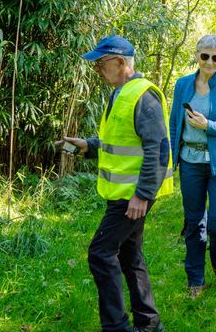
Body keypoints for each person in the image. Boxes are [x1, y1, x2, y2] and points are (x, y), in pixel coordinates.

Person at [59, 36, 173, 332]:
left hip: (132, 195)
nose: (98, 70)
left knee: (100, 252)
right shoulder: (120, 93)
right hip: (124, 192)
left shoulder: (143, 95)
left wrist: (143, 195)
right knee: (129, 254)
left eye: (101, 63)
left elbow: (157, 150)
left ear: (121, 62)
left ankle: (116, 326)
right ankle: (148, 323)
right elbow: (120, 142)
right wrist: (87, 145)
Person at [169, 35, 216, 298]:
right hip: (191, 162)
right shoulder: (182, 85)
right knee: (193, 222)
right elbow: (174, 122)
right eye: (205, 56)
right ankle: (195, 278)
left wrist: (209, 125)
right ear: (197, 55)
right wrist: (172, 159)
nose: (211, 62)